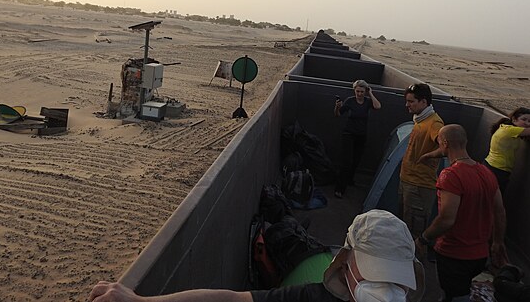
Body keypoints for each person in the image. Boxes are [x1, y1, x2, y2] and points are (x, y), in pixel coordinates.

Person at [88, 209, 423, 302]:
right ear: (346, 262)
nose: (386, 287)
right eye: (375, 271)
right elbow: (233, 299)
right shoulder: (312, 297)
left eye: (396, 279)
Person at [416, 124, 508, 302]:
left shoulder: (450, 175)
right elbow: (500, 212)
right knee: (461, 293)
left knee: (453, 296)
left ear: (444, 143)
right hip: (480, 255)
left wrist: (423, 239)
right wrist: (497, 242)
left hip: (454, 254)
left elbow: (447, 219)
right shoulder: (486, 172)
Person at [398, 83, 444, 238]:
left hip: (419, 186)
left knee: (413, 233)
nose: (407, 105)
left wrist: (428, 156)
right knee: (403, 228)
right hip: (407, 181)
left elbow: (446, 147)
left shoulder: (434, 123)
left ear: (424, 102)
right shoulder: (420, 120)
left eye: (411, 101)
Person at [333, 80, 381, 198]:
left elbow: (378, 106)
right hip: (348, 134)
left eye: (362, 92)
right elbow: (338, 114)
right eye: (357, 91)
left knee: (356, 160)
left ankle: (350, 180)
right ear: (354, 90)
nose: (359, 94)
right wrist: (337, 107)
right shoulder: (350, 101)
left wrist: (371, 93)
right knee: (347, 162)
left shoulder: (368, 101)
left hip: (361, 135)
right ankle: (340, 188)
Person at [484, 107, 530, 193]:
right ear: (514, 119)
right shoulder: (510, 130)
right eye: (524, 119)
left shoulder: (505, 128)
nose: (527, 123)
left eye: (529, 121)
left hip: (491, 166)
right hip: (498, 170)